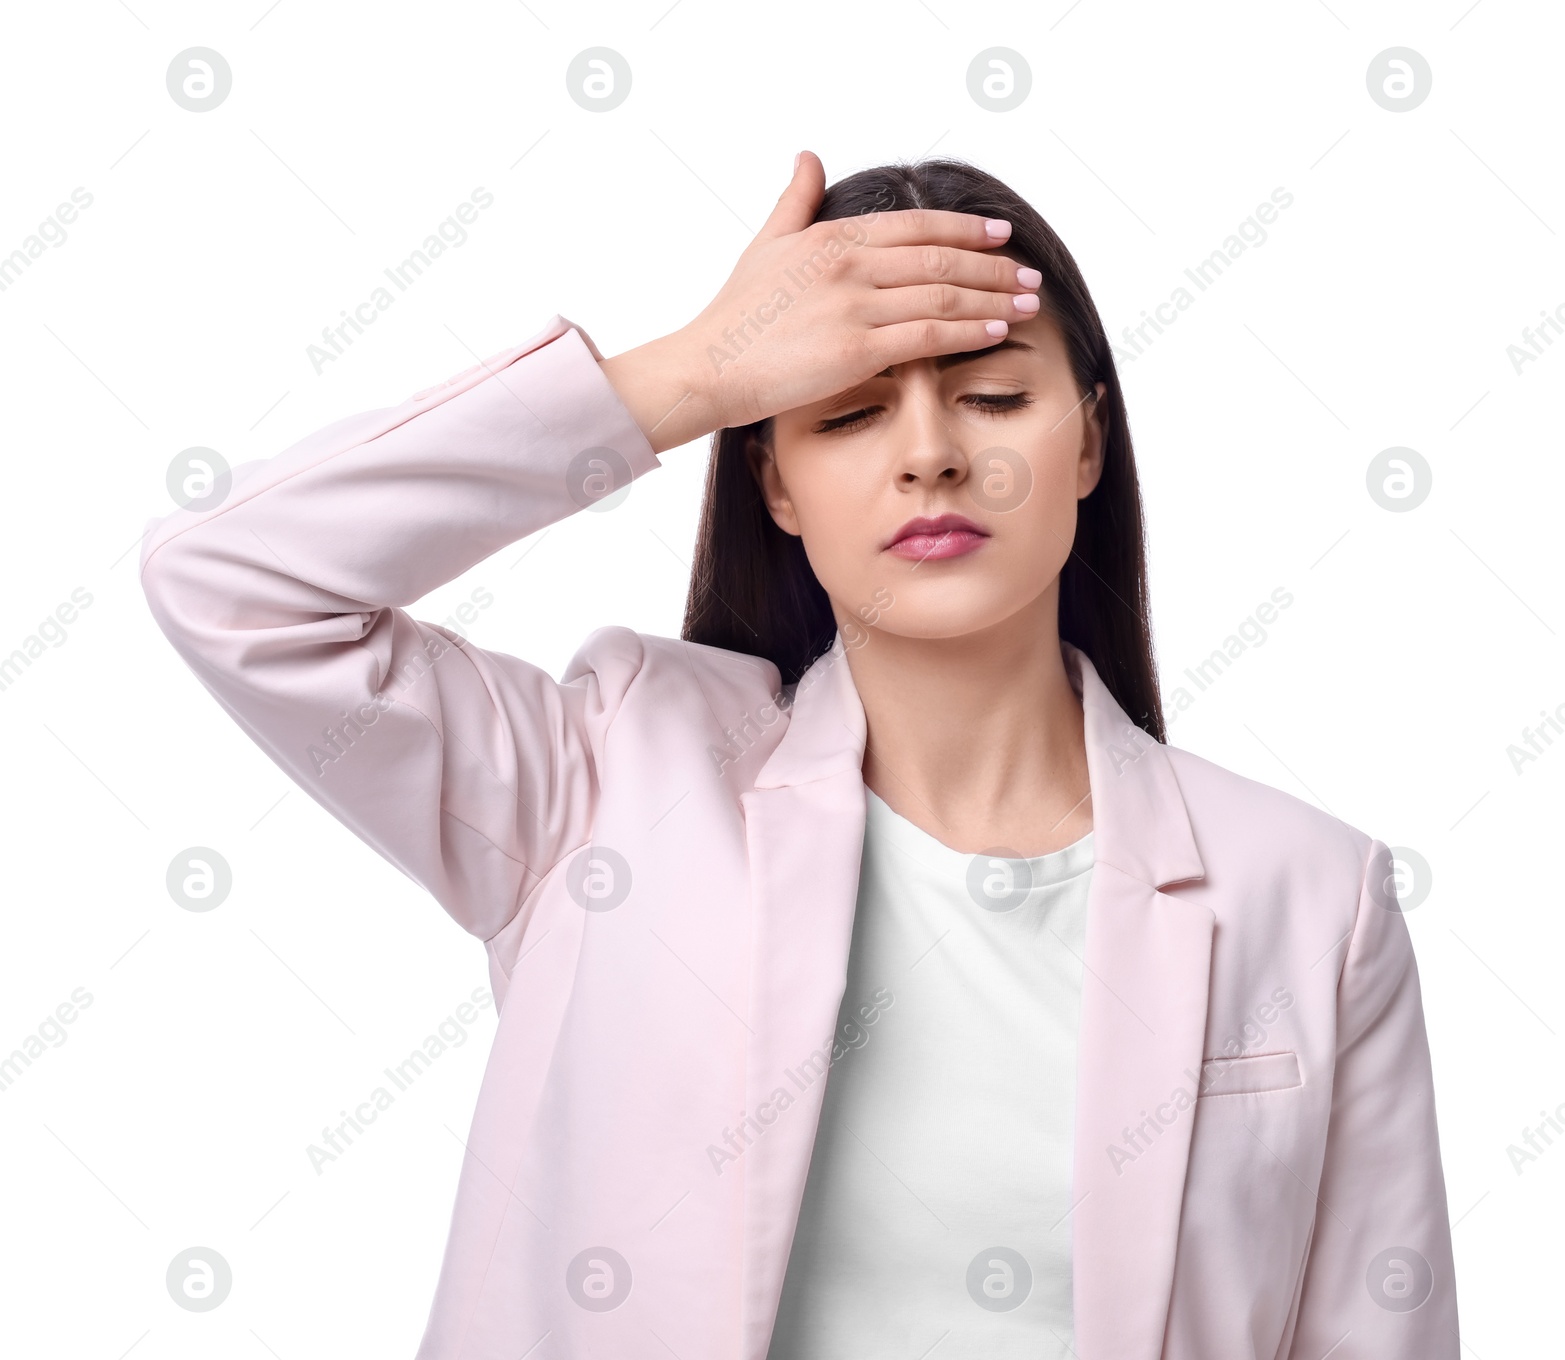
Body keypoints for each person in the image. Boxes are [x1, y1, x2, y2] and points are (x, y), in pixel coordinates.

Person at [139, 152, 1460, 1359]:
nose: (934, 455)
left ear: (1090, 445)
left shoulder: (1311, 898)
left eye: (994, 397)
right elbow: (233, 585)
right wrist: (691, 375)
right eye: (844, 417)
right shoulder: (604, 781)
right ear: (772, 482)